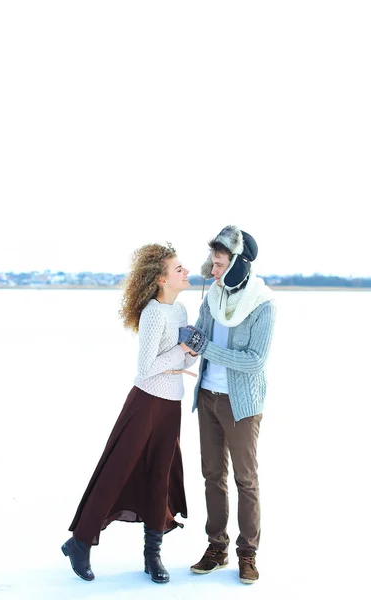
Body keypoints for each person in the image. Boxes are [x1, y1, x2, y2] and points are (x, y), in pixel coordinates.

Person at [62, 242, 197, 584]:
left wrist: (193, 351)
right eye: (178, 268)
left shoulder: (180, 312)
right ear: (161, 279)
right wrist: (181, 349)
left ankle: (153, 556)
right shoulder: (153, 313)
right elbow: (145, 368)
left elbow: (182, 361)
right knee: (116, 471)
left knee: (159, 477)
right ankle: (80, 542)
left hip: (171, 404)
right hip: (145, 403)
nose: (186, 271)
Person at [178, 225, 276, 584]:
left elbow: (253, 360)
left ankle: (247, 554)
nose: (212, 270)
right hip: (207, 398)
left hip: (241, 405)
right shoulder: (212, 298)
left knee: (245, 479)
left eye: (219, 264)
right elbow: (196, 338)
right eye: (212, 263)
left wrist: (206, 347)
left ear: (237, 264)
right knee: (212, 476)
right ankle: (216, 548)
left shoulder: (262, 305)